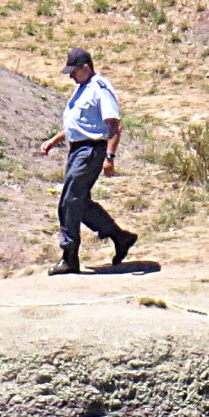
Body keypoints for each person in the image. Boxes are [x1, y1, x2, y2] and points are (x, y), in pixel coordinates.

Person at [36, 47, 139, 276]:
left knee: (69, 201)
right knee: (80, 203)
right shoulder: (83, 89)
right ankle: (120, 237)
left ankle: (69, 257)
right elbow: (80, 125)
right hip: (77, 150)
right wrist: (55, 140)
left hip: (91, 151)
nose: (71, 76)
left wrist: (110, 158)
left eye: (74, 71)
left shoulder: (100, 88)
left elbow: (113, 124)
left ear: (85, 67)